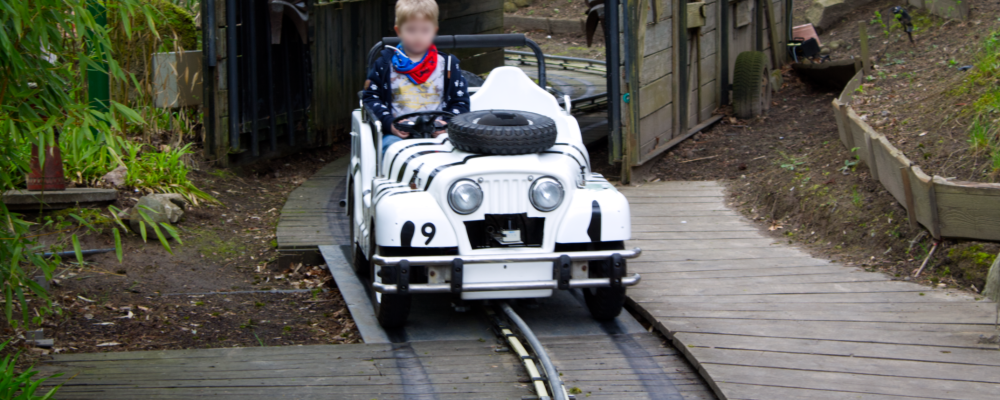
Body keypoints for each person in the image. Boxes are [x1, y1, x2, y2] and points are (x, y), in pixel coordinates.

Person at [362, 0, 471, 155]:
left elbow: (461, 102)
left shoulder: (447, 65)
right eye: (411, 30)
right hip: (399, 136)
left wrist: (446, 123)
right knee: (391, 149)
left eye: (425, 30)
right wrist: (390, 124)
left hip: (439, 134)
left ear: (434, 31)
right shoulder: (384, 65)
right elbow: (371, 99)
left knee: (457, 150)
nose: (418, 36)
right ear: (398, 31)